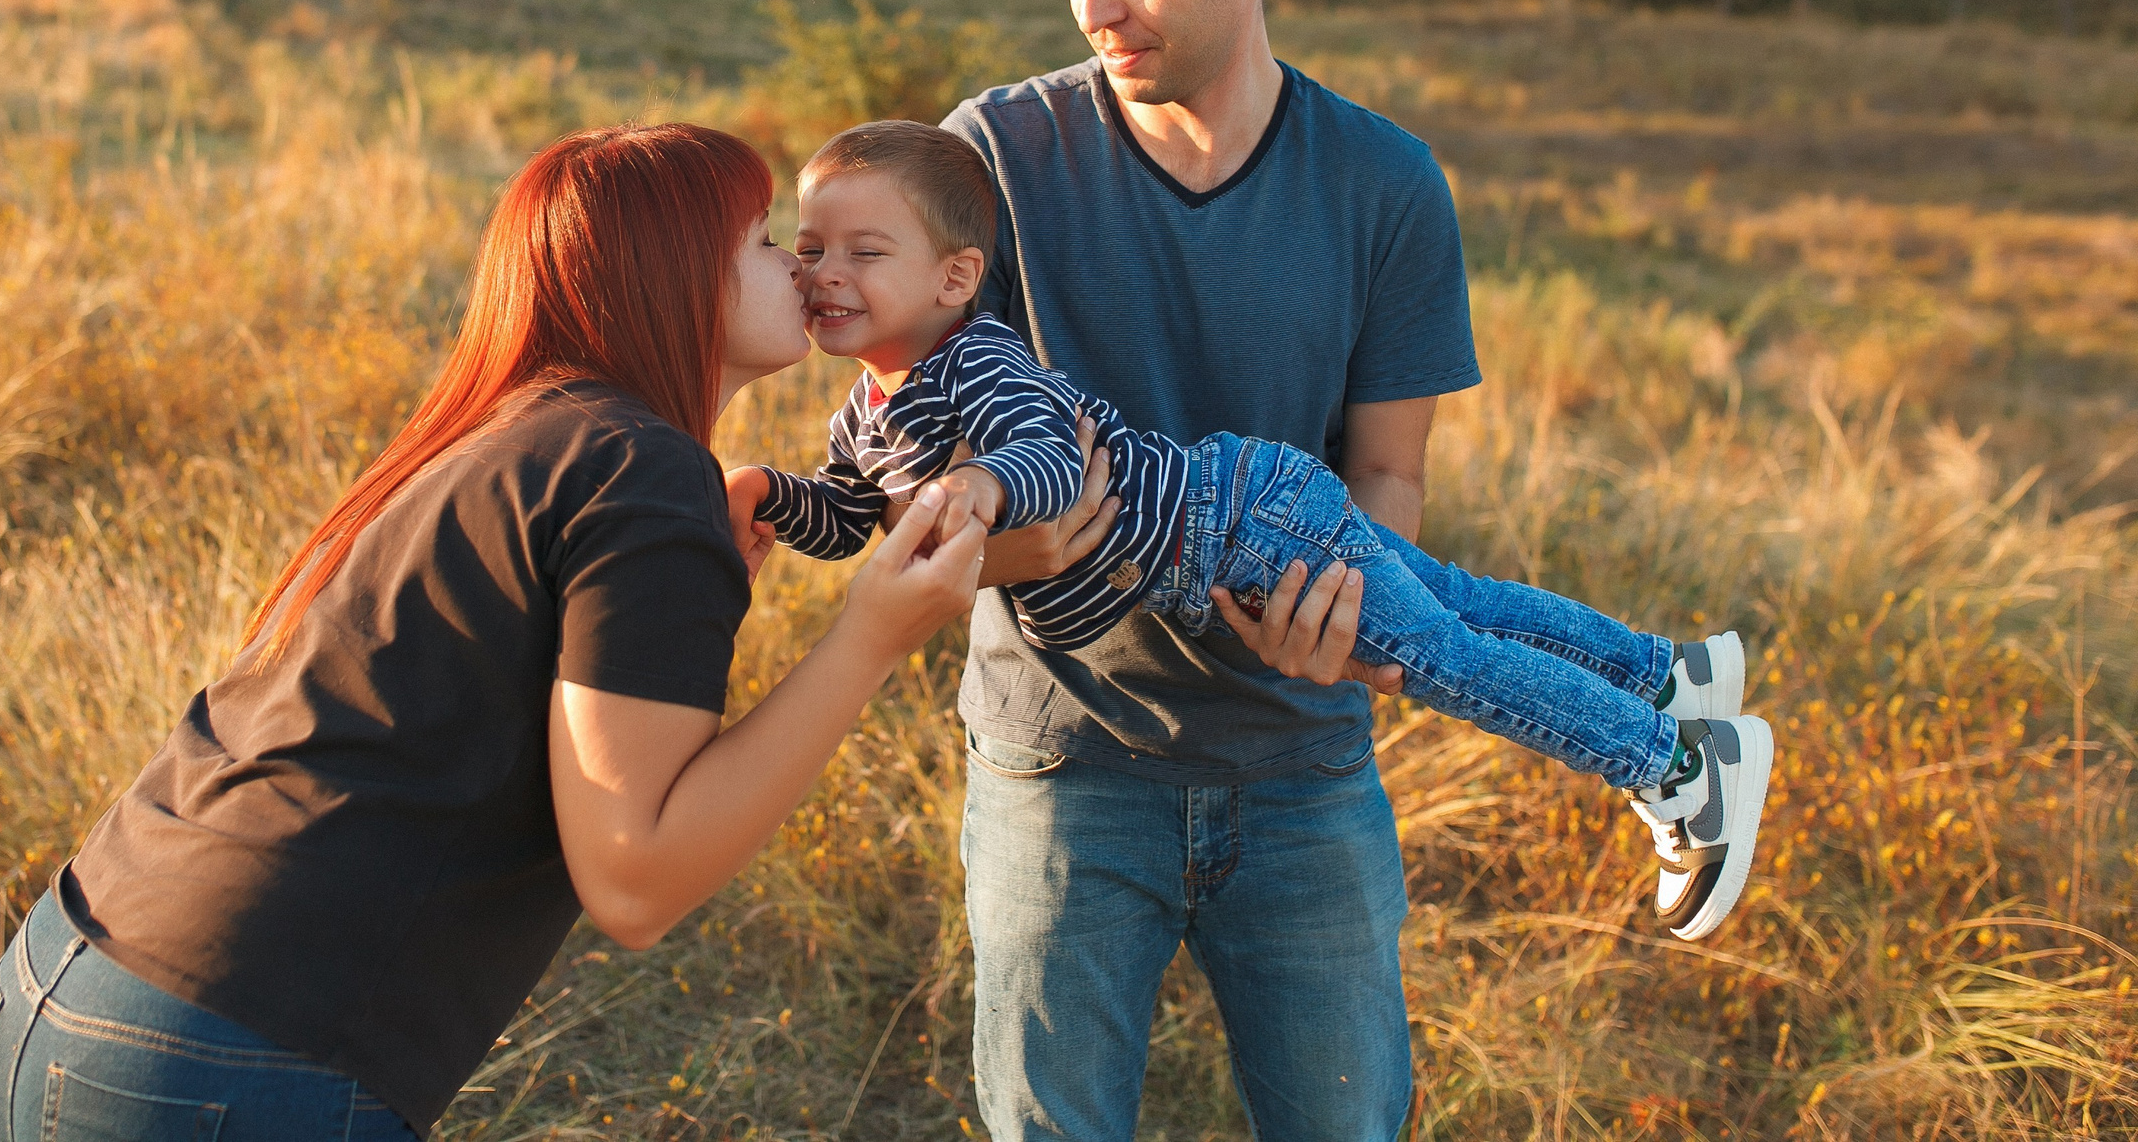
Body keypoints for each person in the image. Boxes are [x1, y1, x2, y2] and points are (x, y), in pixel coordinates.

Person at [0, 124, 989, 1141]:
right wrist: (870, 640)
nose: (799, 268)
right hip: (234, 1055)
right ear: (675, 275)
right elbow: (637, 883)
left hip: (68, 974)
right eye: (766, 240)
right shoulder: (643, 473)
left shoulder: (522, 427)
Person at [724, 120, 1773, 952]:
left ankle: (1672, 764)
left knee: (1442, 656)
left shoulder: (976, 363)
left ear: (954, 280)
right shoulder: (866, 412)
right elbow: (848, 515)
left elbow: (1044, 459)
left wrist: (986, 487)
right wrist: (768, 493)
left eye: (864, 252)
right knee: (1457, 602)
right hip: (1252, 503)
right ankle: (1664, 674)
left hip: (1243, 530)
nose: (822, 272)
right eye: (808, 247)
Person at [939, 0, 1480, 1140]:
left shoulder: (1387, 184)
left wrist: (1352, 610)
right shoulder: (990, 157)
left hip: (1303, 764)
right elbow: (936, 477)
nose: (1097, 6)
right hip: (1058, 762)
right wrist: (1013, 542)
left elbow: (1391, 477)